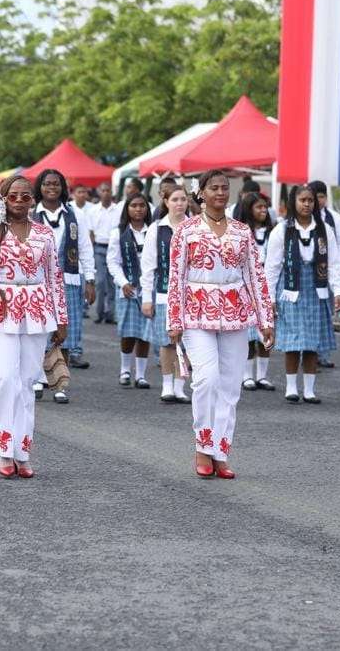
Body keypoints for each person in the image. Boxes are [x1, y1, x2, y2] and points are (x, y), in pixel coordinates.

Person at [166, 169, 274, 479]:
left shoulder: (242, 231)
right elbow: (176, 277)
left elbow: (256, 275)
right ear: (200, 193)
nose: (220, 193)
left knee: (230, 386)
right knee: (207, 379)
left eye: (225, 188)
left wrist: (265, 318)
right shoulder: (185, 231)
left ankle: (221, 450)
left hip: (236, 314)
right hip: (196, 314)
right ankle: (203, 445)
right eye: (213, 188)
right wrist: (174, 319)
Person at [0, 175, 68, 479]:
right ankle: (4, 448)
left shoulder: (45, 234)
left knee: (27, 383)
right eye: (13, 196)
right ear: (3, 198)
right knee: (5, 379)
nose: (19, 200)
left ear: (32, 199)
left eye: (25, 196)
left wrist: (62, 318)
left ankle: (23, 450)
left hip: (37, 309)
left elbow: (54, 278)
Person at [264, 184, 340, 404]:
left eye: (310, 200)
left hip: (316, 288)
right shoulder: (282, 229)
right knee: (292, 341)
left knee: (312, 342)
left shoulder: (324, 229)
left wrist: (338, 290)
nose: (307, 204)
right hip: (291, 289)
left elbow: (334, 262)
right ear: (294, 202)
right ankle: (291, 387)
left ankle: (309, 389)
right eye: (303, 200)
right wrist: (269, 298)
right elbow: (272, 267)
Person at [32, 169, 95, 378]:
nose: (52, 188)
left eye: (56, 184)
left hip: (69, 281)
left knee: (64, 334)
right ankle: (39, 379)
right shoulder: (30, 215)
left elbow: (85, 247)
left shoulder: (75, 214)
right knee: (39, 331)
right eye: (47, 184)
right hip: (37, 282)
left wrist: (90, 280)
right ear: (40, 187)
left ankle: (60, 382)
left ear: (63, 187)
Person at [140, 186, 191, 403]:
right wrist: (147, 298)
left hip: (191, 294)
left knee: (187, 341)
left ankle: (180, 386)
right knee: (166, 341)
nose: (179, 203)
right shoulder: (156, 229)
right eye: (175, 199)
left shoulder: (194, 227)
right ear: (166, 202)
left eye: (183, 199)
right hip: (163, 293)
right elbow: (149, 265)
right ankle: (167, 385)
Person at [107, 191, 153, 388]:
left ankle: (141, 375)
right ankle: (125, 370)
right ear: (127, 208)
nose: (138, 209)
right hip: (128, 288)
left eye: (142, 205)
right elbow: (113, 262)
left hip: (148, 289)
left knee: (145, 333)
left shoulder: (154, 231)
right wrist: (123, 282)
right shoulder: (118, 233)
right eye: (134, 205)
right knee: (128, 332)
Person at [306, 180, 340, 370]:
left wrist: (338, 268)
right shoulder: (300, 218)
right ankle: (306, 353)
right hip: (307, 275)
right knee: (307, 316)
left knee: (326, 316)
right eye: (315, 197)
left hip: (328, 273)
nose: (317, 201)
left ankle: (322, 354)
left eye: (321, 196)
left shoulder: (334, 218)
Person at [238, 191, 275, 391]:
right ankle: (246, 375)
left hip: (266, 284)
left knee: (265, 332)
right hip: (246, 285)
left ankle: (262, 376)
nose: (263, 211)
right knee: (248, 336)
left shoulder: (272, 232)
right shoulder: (242, 232)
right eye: (258, 207)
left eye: (265, 207)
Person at [89, 181, 121, 324]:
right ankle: (100, 312)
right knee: (100, 282)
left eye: (108, 190)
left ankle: (110, 314)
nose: (106, 193)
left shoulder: (118, 210)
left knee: (112, 282)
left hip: (113, 248)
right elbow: (90, 232)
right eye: (103, 190)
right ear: (99, 192)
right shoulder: (94, 210)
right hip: (99, 248)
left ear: (111, 192)